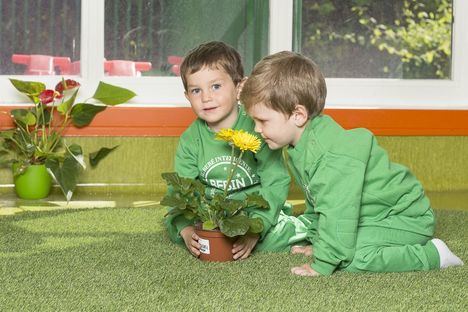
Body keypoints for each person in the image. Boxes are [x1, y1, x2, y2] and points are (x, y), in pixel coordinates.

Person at [240, 51, 464, 276]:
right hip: (370, 216)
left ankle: (434, 254)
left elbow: (338, 211)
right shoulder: (300, 145)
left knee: (350, 259)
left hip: (404, 217)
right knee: (337, 241)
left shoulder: (328, 156)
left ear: (298, 115)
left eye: (262, 121)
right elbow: (318, 200)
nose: (257, 129)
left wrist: (323, 263)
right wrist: (319, 240)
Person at [164, 42, 307, 260]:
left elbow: (276, 181)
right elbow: (180, 190)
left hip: (253, 212)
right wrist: (186, 230)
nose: (206, 97)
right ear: (187, 97)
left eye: (216, 86)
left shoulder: (259, 128)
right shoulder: (190, 139)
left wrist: (255, 229)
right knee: (183, 228)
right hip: (212, 215)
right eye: (196, 90)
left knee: (272, 238)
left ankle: (302, 230)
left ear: (239, 87)